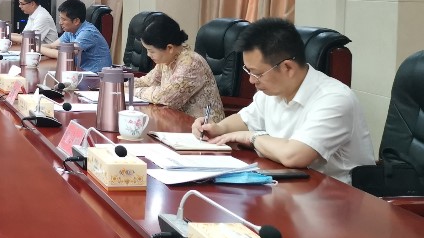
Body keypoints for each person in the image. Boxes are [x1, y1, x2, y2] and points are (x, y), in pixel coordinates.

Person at [192, 17, 374, 184]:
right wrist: (218, 128)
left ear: (288, 67)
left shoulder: (334, 99)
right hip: (289, 185)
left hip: (336, 196)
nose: (252, 80)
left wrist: (251, 137)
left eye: (257, 73)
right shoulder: (272, 91)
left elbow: (294, 156)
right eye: (248, 71)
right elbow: (244, 120)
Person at [133, 13, 224, 120]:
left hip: (203, 126)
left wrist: (133, 92)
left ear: (170, 48)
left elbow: (165, 97)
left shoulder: (191, 63)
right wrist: (122, 86)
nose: (148, 55)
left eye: (151, 51)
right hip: (177, 121)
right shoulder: (167, 60)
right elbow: (147, 81)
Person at [40, 0, 111, 73]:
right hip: (81, 72)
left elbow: (66, 55)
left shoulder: (87, 33)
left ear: (76, 21)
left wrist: (38, 48)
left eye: (63, 19)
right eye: (60, 18)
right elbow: (53, 46)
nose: (60, 22)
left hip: (96, 75)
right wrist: (35, 48)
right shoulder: (70, 30)